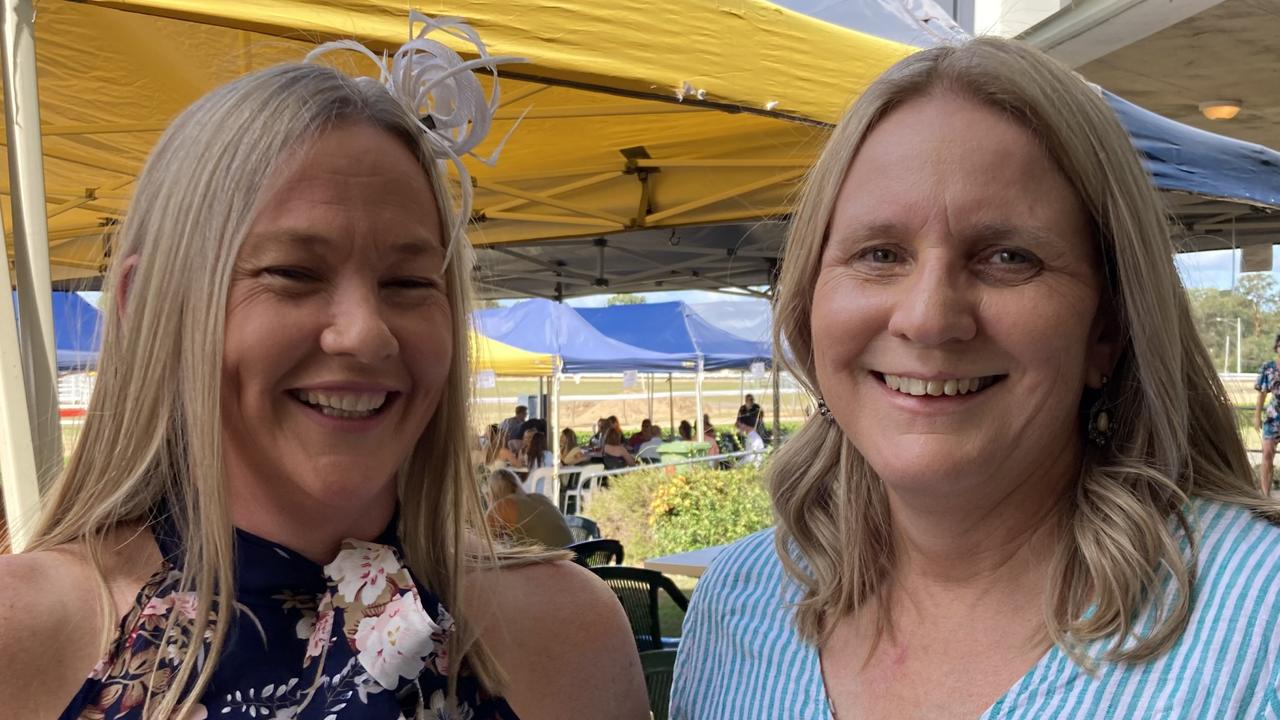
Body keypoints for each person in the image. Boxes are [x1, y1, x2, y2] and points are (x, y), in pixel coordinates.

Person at [0, 18, 647, 720]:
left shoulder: (569, 629)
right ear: (144, 303)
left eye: (408, 283)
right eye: (292, 272)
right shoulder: (21, 636)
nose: (366, 334)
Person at [673, 37, 1280, 719]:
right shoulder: (737, 603)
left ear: (1106, 328)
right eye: (879, 253)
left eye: (1007, 257)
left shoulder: (1263, 627)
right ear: (812, 301)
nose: (929, 317)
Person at [485, 469, 574, 549]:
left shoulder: (503, 506)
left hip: (552, 564)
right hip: (576, 561)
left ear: (493, 493)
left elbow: (484, 543)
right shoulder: (540, 497)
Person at [1254, 333, 1280, 494]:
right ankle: (1265, 496)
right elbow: (1262, 394)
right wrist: (1257, 416)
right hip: (1272, 417)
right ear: (1277, 347)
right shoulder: (1268, 367)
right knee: (1267, 455)